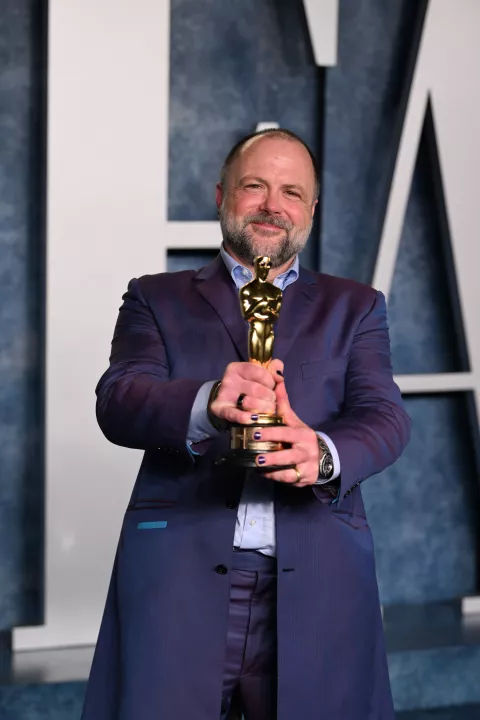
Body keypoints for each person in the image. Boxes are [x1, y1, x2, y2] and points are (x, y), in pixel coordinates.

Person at [81, 128, 411, 720]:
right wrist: (207, 401)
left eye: (291, 191)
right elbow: (119, 399)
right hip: (178, 580)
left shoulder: (357, 306)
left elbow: (385, 415)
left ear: (311, 209)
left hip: (319, 580)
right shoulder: (156, 297)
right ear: (221, 195)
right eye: (254, 185)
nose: (271, 204)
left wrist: (324, 453)